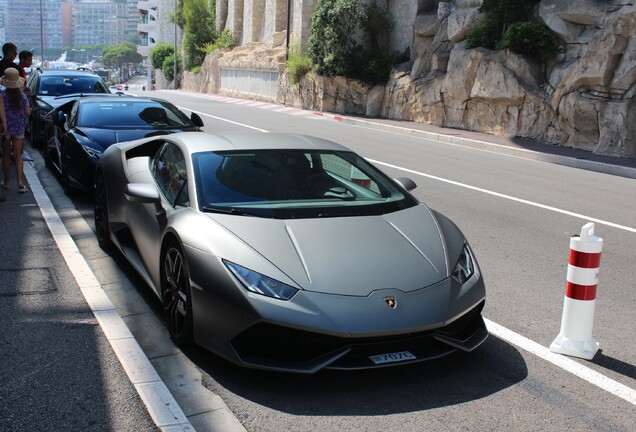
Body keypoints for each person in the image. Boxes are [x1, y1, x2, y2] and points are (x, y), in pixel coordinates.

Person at [1, 68, 30, 193]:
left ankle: (7, 181)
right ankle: (20, 182)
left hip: (5, 128)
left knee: (6, 154)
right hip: (19, 127)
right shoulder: (22, 97)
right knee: (18, 155)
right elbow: (27, 111)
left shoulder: (2, 96)